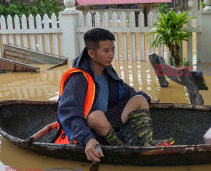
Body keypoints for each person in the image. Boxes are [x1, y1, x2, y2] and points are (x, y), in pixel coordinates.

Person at [57, 28, 159, 162]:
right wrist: (87, 139)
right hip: (88, 128)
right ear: (92, 54)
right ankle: (120, 148)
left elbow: (126, 91)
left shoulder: (108, 70)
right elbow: (69, 114)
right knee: (96, 116)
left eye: (113, 49)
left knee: (139, 99)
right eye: (106, 51)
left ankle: (147, 144)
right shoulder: (78, 78)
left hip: (108, 122)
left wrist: (148, 99)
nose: (111, 54)